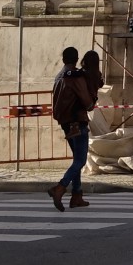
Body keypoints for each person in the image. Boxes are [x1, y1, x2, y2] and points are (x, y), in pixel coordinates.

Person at [49, 46, 98, 211]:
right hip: (77, 122)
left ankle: (77, 196)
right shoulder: (76, 77)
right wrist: (93, 96)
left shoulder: (59, 76)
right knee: (80, 160)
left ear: (63, 59)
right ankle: (60, 188)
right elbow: (88, 104)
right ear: (76, 59)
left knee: (76, 159)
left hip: (65, 123)